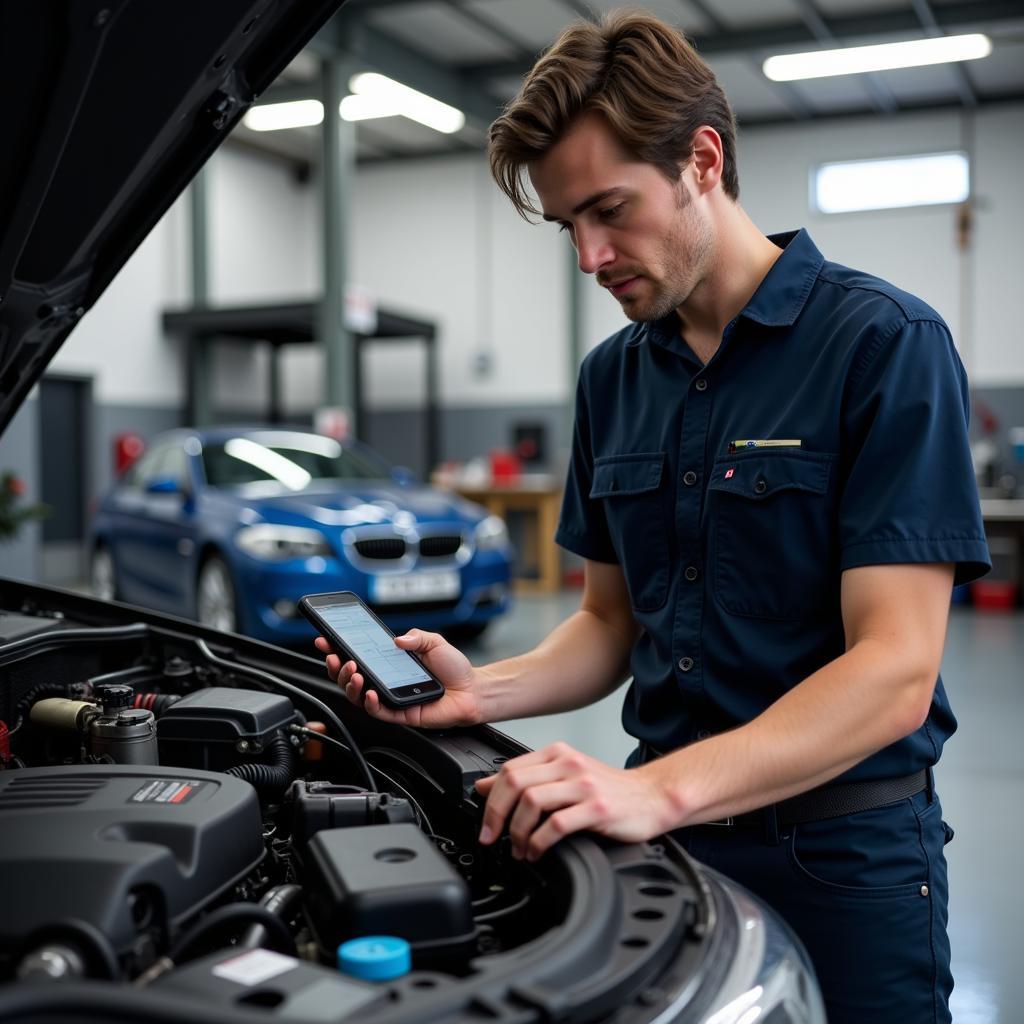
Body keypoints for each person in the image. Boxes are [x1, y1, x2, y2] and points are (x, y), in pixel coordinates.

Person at [316, 11, 990, 1023]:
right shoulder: (613, 379)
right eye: (566, 227)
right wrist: (479, 691)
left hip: (841, 860)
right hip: (664, 851)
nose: (589, 256)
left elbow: (893, 670)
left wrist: (659, 790)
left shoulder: (883, 346)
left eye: (609, 210)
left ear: (701, 160)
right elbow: (606, 626)